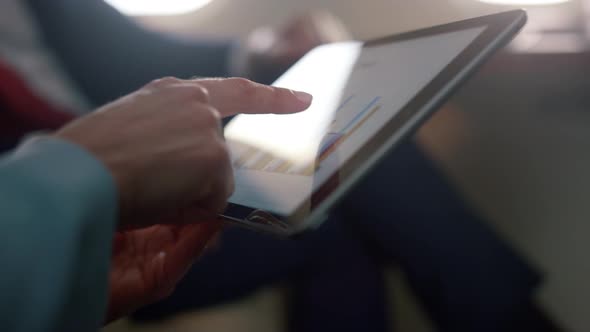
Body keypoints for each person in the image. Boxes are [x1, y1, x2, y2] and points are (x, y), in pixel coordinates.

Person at [1, 1, 550, 331]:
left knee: (335, 197)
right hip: (47, 236)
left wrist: (258, 49)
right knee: (351, 183)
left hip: (133, 218)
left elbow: (131, 52)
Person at [0, 76, 313, 331]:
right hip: (80, 218)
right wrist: (83, 172)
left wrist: (73, 286)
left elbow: (142, 52)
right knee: (323, 224)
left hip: (104, 238)